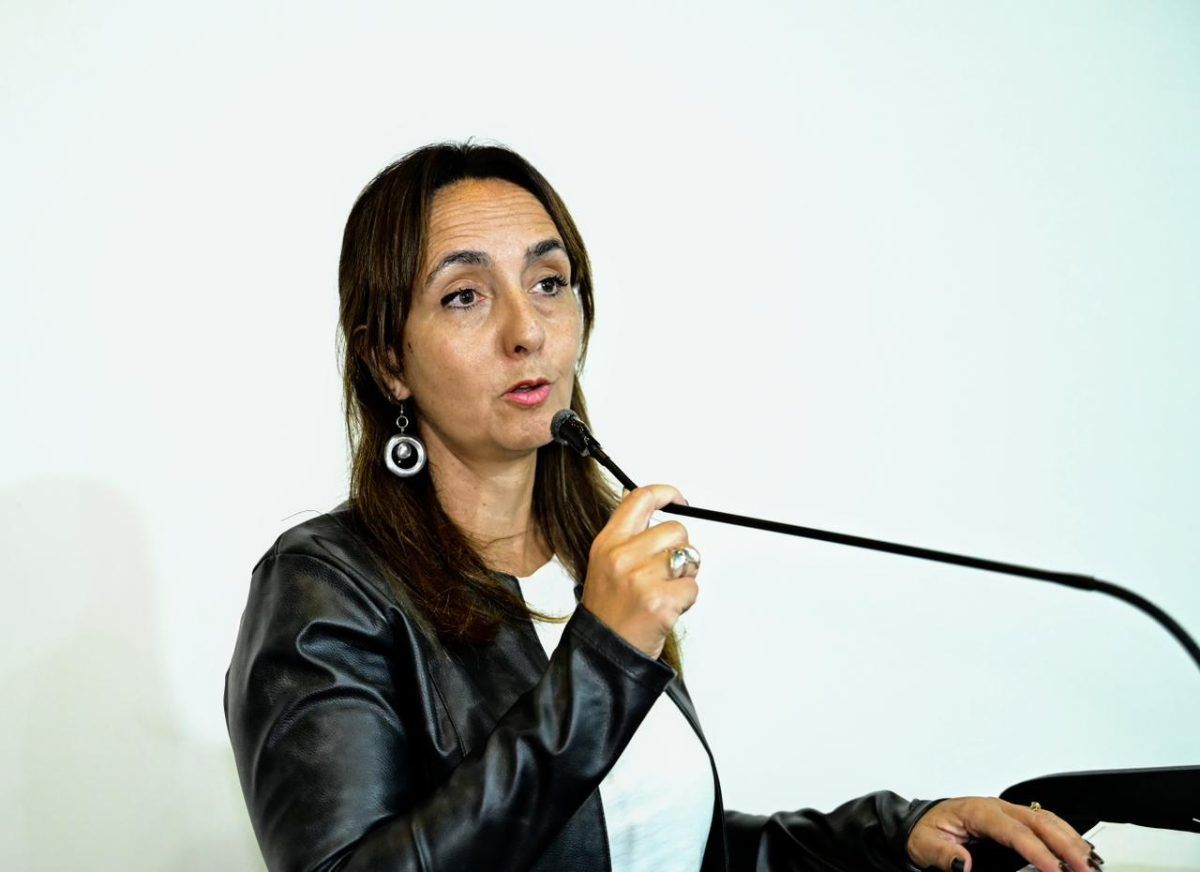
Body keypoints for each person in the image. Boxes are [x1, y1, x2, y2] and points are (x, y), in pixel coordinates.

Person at [224, 141, 1101, 872]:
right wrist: (602, 658)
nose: (527, 331)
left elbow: (663, 846)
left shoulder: (591, 558)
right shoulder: (326, 586)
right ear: (388, 361)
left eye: (549, 282)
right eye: (464, 295)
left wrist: (891, 835)